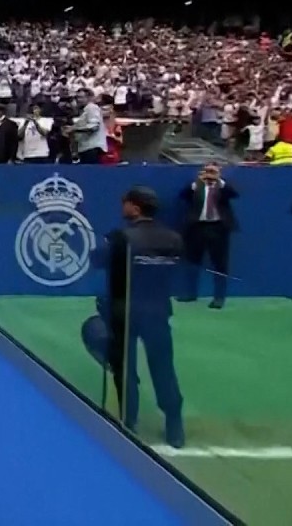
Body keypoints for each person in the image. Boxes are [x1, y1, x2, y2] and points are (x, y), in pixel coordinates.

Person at [81, 187, 185, 448]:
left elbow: (97, 260)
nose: (122, 207)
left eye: (125, 203)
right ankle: (175, 425)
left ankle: (128, 420)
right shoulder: (173, 238)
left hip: (124, 312)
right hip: (158, 311)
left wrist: (108, 243)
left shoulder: (121, 238)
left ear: (135, 208)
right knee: (163, 368)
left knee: (123, 366)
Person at [177, 163, 238, 308]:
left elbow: (234, 194)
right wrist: (197, 182)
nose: (209, 174)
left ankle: (219, 298)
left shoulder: (223, 187)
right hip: (197, 228)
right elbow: (182, 195)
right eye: (207, 170)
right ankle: (190, 294)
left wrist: (219, 180)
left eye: (212, 171)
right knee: (192, 262)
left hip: (218, 228)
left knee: (220, 264)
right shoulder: (196, 187)